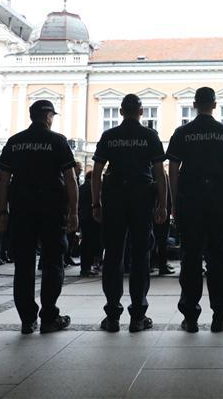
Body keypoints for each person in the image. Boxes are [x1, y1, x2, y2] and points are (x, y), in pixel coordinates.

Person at [0, 99, 79, 334]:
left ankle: (27, 319)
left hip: (21, 209)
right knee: (53, 262)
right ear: (49, 117)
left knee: (23, 264)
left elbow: (4, 181)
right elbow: (71, 179)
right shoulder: (57, 141)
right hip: (51, 209)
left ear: (32, 116)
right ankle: (49, 316)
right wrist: (74, 211)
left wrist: (2, 211)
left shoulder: (15, 142)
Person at [91, 94, 168, 333]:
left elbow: (96, 172)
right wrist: (163, 204)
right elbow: (159, 173)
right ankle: (138, 316)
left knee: (113, 256)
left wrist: (96, 203)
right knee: (140, 256)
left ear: (122, 111)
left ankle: (112, 315)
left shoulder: (109, 136)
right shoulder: (150, 136)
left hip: (114, 197)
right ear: (141, 112)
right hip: (141, 197)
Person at [166, 87, 223, 333]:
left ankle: (190, 317)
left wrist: (175, 201)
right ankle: (220, 315)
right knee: (219, 258)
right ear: (215, 105)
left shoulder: (182, 133)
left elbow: (173, 170)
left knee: (190, 258)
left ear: (195, 104)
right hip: (218, 201)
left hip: (190, 201)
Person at [78, 167, 100, 277]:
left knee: (85, 241)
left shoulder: (81, 187)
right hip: (92, 217)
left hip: (83, 217)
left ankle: (84, 267)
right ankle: (87, 267)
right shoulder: (94, 188)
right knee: (91, 242)